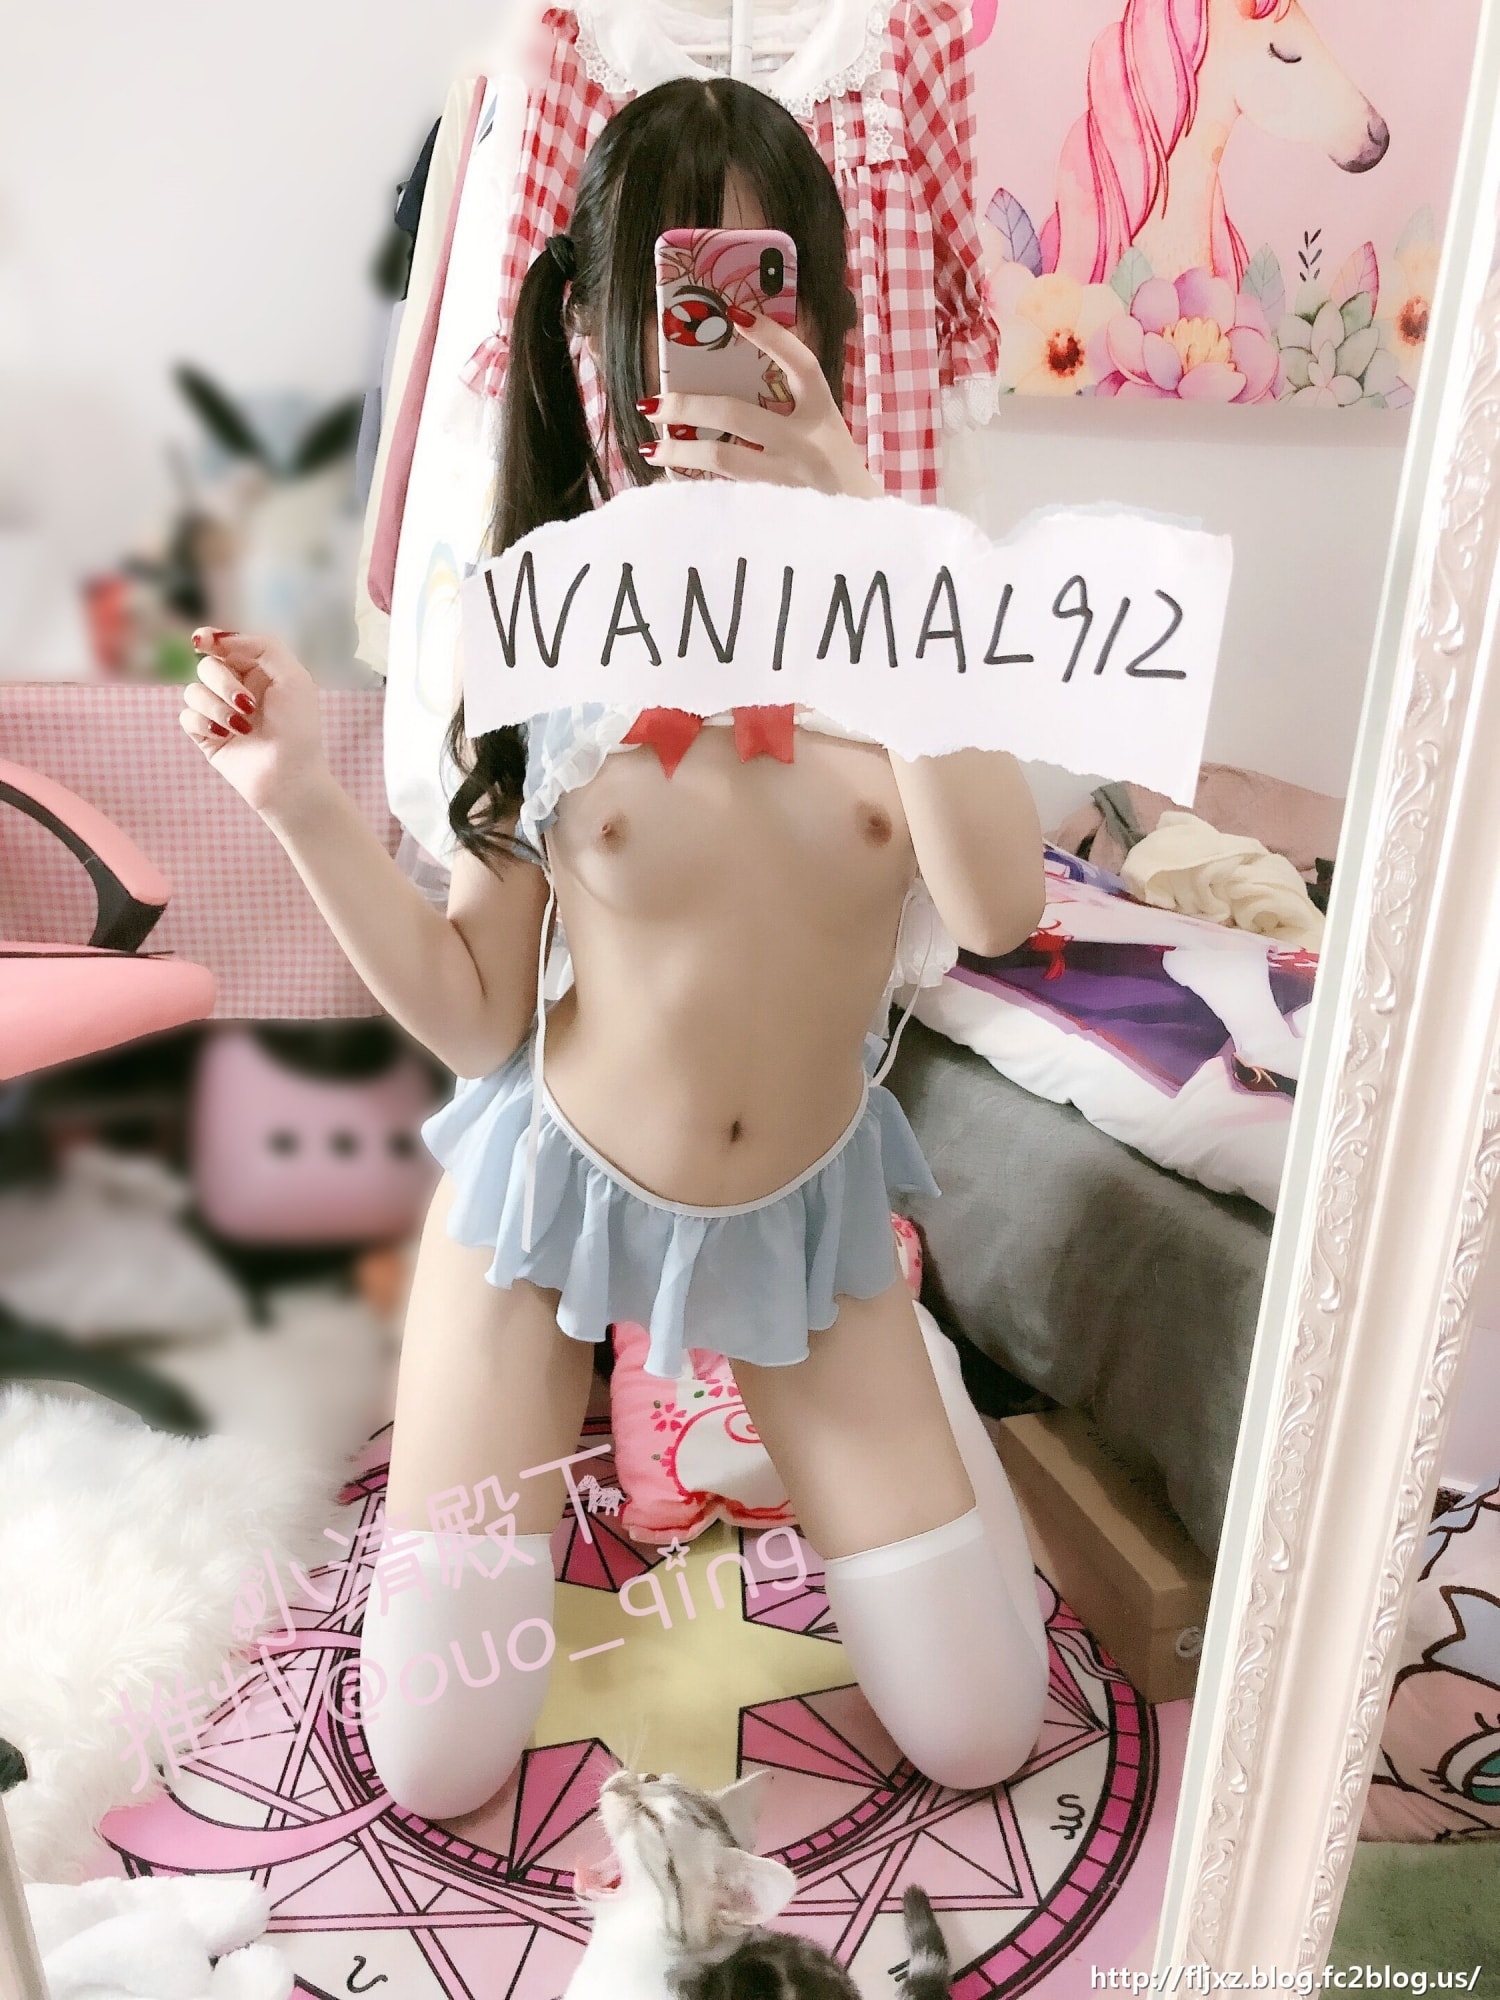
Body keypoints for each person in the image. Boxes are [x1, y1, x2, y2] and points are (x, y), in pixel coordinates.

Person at [181, 77, 1050, 1817]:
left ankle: (925, 1404)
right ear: (601, 327)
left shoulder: (916, 589)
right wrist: (297, 798)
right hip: (546, 1206)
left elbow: (997, 909)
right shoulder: (542, 606)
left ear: (824, 313)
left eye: (760, 277)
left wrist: (862, 521)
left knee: (980, 1737)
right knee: (437, 1762)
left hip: (806, 1226)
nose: (724, 331)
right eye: (678, 282)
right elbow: (473, 1014)